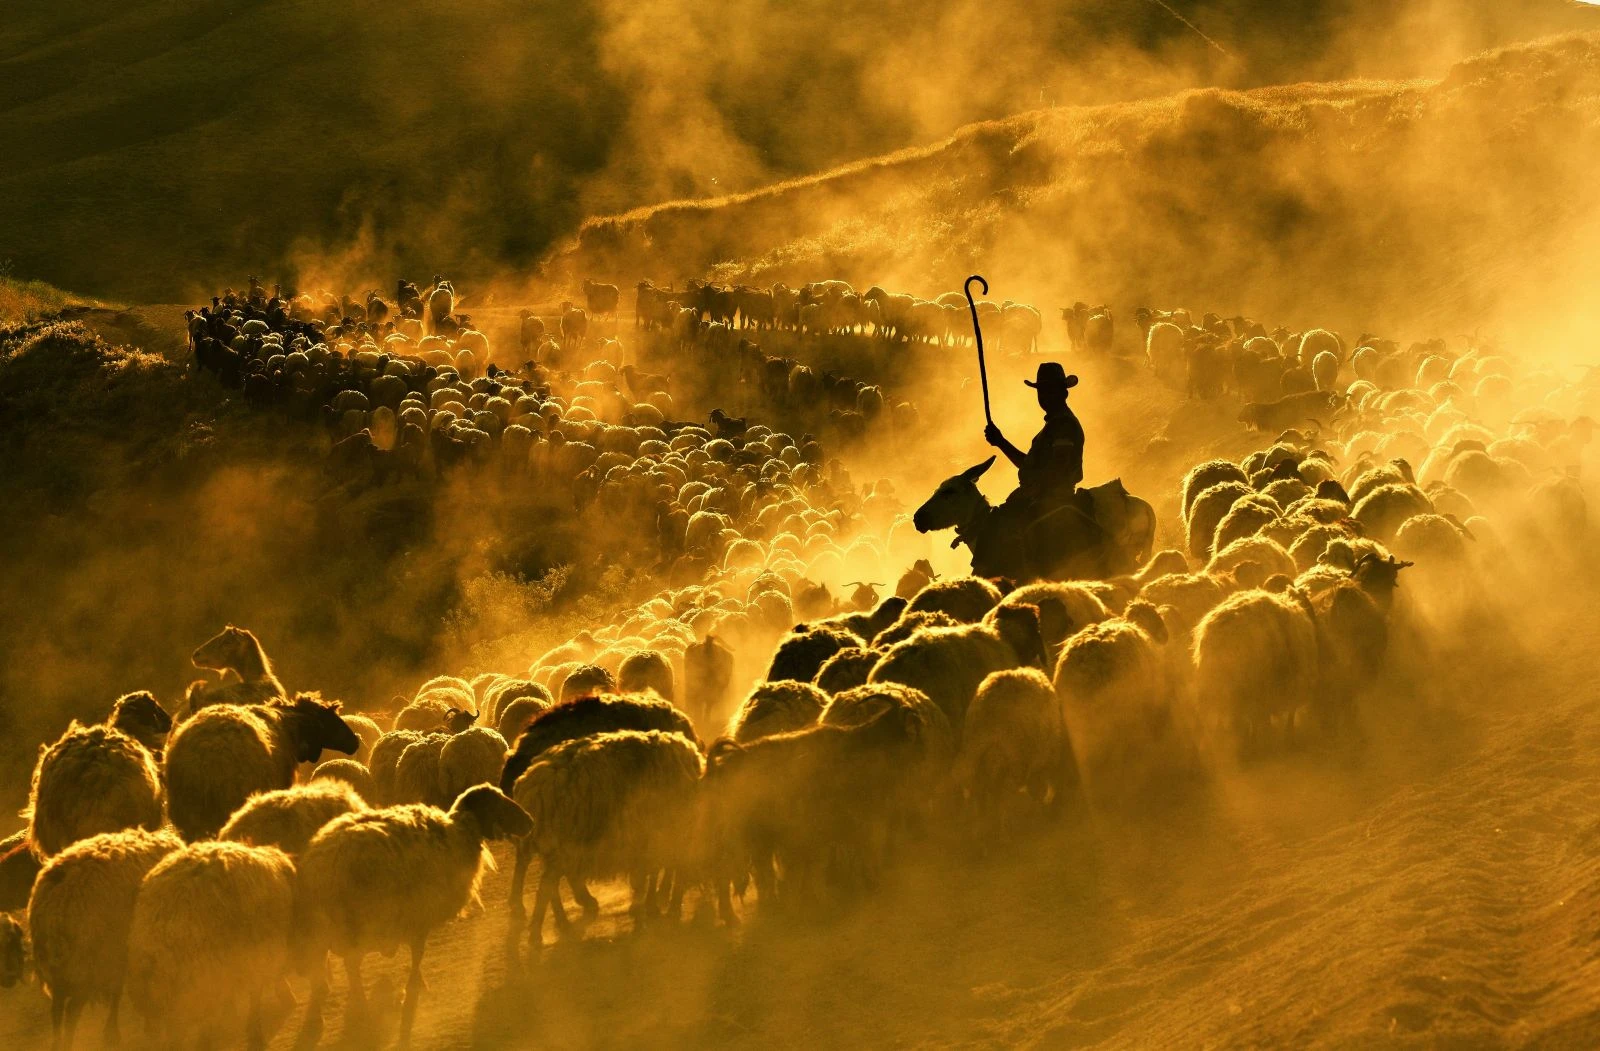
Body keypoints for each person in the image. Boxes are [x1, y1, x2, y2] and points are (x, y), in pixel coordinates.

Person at [984, 361, 1085, 519]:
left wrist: (1027, 493)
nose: (1044, 396)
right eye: (1041, 391)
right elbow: (1031, 465)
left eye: (1050, 390)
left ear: (1063, 393)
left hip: (1052, 502)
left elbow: (1057, 472)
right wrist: (1000, 441)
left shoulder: (1063, 424)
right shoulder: (1054, 424)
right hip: (1040, 498)